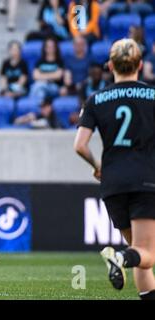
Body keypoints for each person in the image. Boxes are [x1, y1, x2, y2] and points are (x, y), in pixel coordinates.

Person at [74, 38, 155, 300]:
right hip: (145, 179)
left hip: (112, 183)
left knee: (139, 253)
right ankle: (117, 256)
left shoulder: (96, 99)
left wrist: (96, 167)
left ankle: (124, 260)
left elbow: (80, 145)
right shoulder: (153, 95)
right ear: (140, 65)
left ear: (110, 65)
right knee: (147, 253)